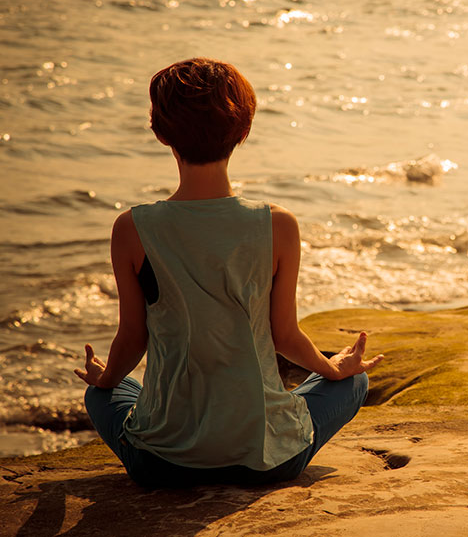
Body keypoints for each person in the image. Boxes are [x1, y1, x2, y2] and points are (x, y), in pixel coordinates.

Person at [74, 57, 383, 487]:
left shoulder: (132, 228)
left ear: (160, 133)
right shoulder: (278, 225)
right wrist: (334, 369)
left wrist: (104, 377)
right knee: (355, 382)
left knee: (102, 394)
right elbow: (286, 337)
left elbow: (132, 339)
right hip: (267, 460)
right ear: (243, 130)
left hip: (161, 464)